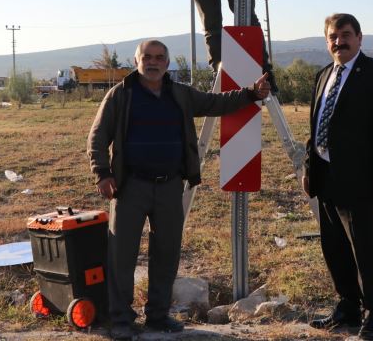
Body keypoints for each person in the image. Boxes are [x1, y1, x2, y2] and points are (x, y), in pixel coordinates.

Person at [87, 39, 271, 340]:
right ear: (136, 61)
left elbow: (216, 103)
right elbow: (96, 138)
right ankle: (120, 319)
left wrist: (251, 93)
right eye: (147, 57)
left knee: (167, 253)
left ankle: (158, 316)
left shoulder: (179, 94)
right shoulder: (120, 95)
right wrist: (102, 174)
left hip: (170, 186)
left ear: (167, 63)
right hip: (129, 187)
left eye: (160, 57)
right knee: (122, 256)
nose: (153, 62)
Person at [302, 13, 373, 340]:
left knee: (365, 248)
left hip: (362, 180)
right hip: (326, 175)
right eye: (333, 36)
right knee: (335, 247)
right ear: (326, 40)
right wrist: (309, 168)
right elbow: (315, 127)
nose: (339, 42)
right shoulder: (323, 75)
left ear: (359, 37)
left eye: (345, 35)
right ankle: (347, 305)